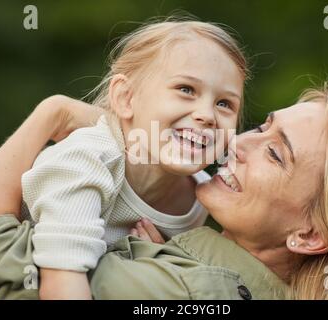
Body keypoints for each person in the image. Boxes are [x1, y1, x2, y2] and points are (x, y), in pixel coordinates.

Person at [0, 85, 328, 299]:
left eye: (276, 155)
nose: (240, 142)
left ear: (308, 236)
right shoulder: (196, 275)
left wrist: (51, 115)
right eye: (262, 127)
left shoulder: (198, 292)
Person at [18, 18, 248, 299]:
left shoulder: (202, 196)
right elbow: (61, 284)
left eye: (224, 103)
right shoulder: (86, 159)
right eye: (186, 89)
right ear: (126, 98)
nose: (207, 115)